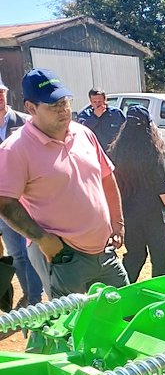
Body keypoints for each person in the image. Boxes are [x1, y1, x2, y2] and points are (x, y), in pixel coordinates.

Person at [0, 68, 128, 297]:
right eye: (53, 105)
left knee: (124, 313)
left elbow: (107, 177)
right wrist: (43, 239)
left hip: (104, 250)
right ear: (31, 108)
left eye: (64, 102)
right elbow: (5, 202)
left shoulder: (83, 133)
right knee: (68, 326)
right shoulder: (15, 149)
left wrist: (117, 223)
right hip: (63, 255)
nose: (63, 110)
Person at [107, 105, 165, 282]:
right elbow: (163, 189)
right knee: (160, 259)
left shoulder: (115, 151)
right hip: (153, 215)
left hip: (128, 213)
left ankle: (121, 296)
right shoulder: (153, 153)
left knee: (135, 256)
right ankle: (159, 297)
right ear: (148, 127)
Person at [0, 75, 43, 306]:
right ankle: (29, 294)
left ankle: (35, 300)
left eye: (1, 92)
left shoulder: (26, 122)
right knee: (16, 253)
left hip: (26, 202)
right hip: (2, 204)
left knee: (30, 252)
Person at [77, 88, 126, 154]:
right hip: (94, 153)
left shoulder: (116, 113)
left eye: (99, 101)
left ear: (105, 100)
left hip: (114, 153)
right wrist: (95, 116)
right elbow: (81, 132)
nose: (97, 104)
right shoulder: (85, 115)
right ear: (91, 102)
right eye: (94, 102)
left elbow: (125, 130)